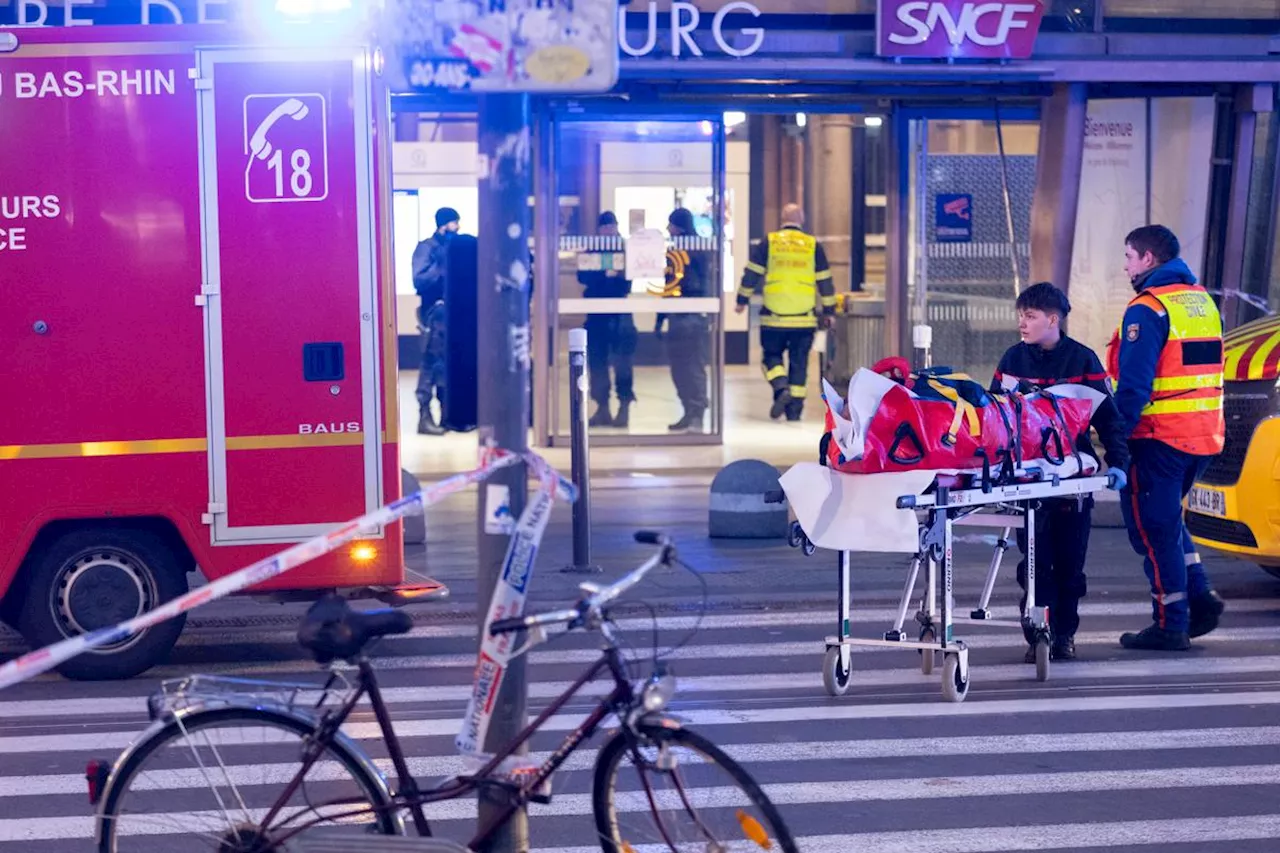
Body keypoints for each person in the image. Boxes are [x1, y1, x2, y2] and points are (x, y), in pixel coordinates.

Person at [990, 282, 1129, 662]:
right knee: (1034, 565)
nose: (1022, 322)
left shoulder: (1083, 362)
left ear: (1053, 319)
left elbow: (1109, 419)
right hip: (1025, 481)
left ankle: (1064, 634)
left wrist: (1118, 463)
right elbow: (994, 419)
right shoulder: (1011, 361)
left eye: (1030, 316)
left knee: (1069, 565)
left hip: (1072, 481)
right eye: (1020, 315)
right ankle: (1037, 634)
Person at [1107, 224, 1226, 651]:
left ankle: (1171, 623)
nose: (1125, 267)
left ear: (1148, 260)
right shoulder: (1204, 303)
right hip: (1204, 437)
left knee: (1153, 532)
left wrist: (1115, 442)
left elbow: (1135, 387)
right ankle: (1200, 597)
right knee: (1168, 523)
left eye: (1128, 257)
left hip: (1159, 439)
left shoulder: (1148, 308)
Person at [735, 203, 837, 421]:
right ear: (802, 219)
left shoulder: (769, 242)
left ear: (782, 218)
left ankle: (781, 389)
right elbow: (825, 280)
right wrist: (830, 310)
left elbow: (752, 273)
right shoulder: (812, 245)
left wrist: (741, 300)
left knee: (770, 357)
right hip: (803, 318)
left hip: (773, 316)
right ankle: (794, 411)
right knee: (799, 363)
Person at [576, 211, 637, 428]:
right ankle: (602, 407)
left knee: (622, 363)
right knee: (598, 362)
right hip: (597, 314)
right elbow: (582, 275)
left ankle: (624, 407)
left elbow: (627, 280)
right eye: (605, 227)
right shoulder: (592, 246)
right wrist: (605, 271)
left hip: (619, 313)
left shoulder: (625, 249)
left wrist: (603, 271)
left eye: (611, 226)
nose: (608, 230)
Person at [656, 208, 712, 432]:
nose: (668, 229)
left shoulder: (696, 250)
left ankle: (696, 412)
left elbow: (689, 285)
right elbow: (668, 287)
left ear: (678, 226)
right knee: (680, 367)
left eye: (671, 224)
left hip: (691, 317)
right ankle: (689, 411)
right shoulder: (676, 251)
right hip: (679, 316)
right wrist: (661, 319)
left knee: (692, 367)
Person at [410, 207, 460, 436]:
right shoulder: (427, 249)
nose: (457, 228)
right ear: (443, 224)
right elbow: (420, 280)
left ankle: (446, 415)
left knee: (447, 366)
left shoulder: (453, 248)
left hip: (453, 315)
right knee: (430, 364)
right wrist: (441, 267)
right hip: (434, 315)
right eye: (453, 223)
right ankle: (424, 416)